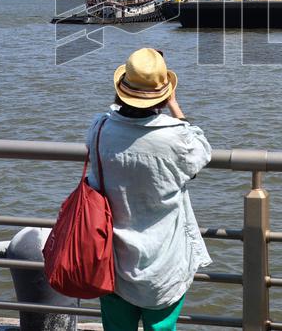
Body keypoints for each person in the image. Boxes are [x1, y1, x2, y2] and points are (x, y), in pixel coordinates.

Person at [87, 48, 211, 331]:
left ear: (121, 89)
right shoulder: (175, 137)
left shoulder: (99, 127)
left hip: (111, 258)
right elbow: (201, 154)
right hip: (163, 260)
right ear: (163, 94)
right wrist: (176, 108)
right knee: (161, 327)